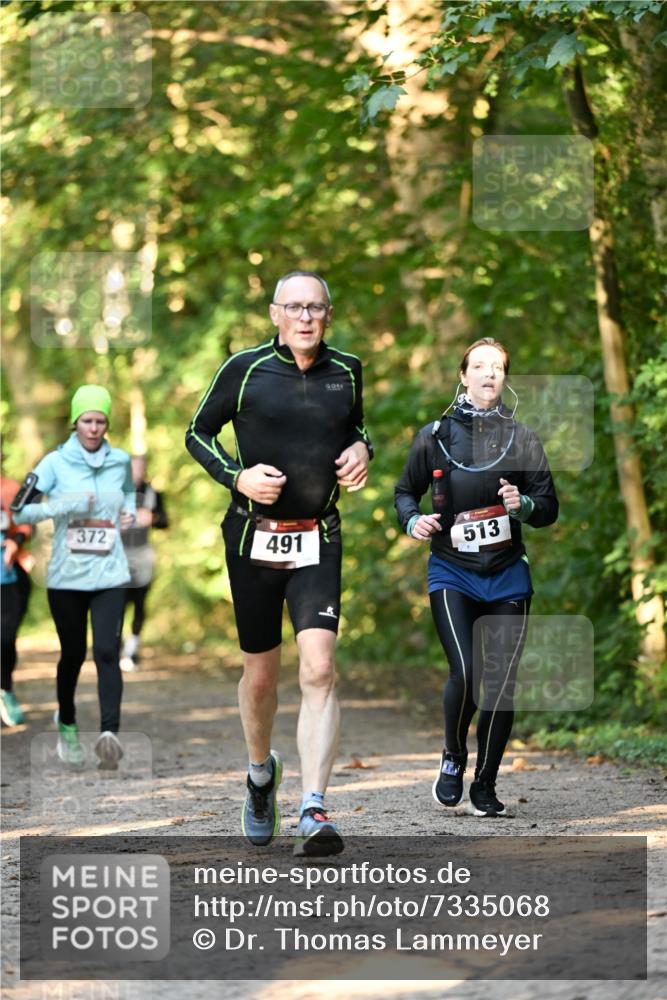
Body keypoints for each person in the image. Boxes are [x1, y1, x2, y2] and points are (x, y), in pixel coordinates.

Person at [186, 270, 372, 856]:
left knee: (319, 668)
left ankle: (314, 808)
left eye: (316, 307)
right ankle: (261, 773)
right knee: (261, 675)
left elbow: (356, 426)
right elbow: (197, 433)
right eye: (294, 307)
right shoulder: (243, 370)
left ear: (329, 314)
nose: (306, 317)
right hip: (252, 537)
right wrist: (236, 475)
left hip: (320, 535)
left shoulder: (347, 371)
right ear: (274, 314)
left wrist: (365, 447)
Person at [395, 338, 558, 817]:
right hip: (453, 571)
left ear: (505, 380)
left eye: (499, 367)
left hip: (507, 573)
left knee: (501, 682)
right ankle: (453, 756)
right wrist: (413, 520)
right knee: (466, 672)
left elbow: (547, 508)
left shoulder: (522, 438)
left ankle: (485, 784)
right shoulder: (435, 435)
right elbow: (406, 491)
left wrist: (522, 505)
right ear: (463, 375)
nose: (490, 374)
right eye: (480, 366)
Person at [12, 385, 135, 768]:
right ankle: (66, 721)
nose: (94, 428)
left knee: (106, 651)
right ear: (75, 421)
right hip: (67, 578)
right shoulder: (54, 463)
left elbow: (129, 494)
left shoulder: (121, 461)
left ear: (107, 423)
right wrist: (67, 504)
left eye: (100, 421)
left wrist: (128, 513)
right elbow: (19, 511)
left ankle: (109, 732)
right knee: (73, 654)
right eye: (87, 421)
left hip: (111, 573)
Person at [120, 454, 169, 672]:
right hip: (119, 555)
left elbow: (165, 521)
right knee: (117, 603)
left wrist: (154, 518)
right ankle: (115, 647)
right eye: (133, 468)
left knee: (140, 603)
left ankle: (132, 649)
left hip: (142, 554)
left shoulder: (153, 494)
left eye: (140, 468)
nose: (137, 472)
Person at [1, 467, 34, 727]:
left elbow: (26, 523)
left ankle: (5, 689)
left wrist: (16, 541)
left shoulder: (12, 487)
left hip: (8, 575)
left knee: (6, 637)